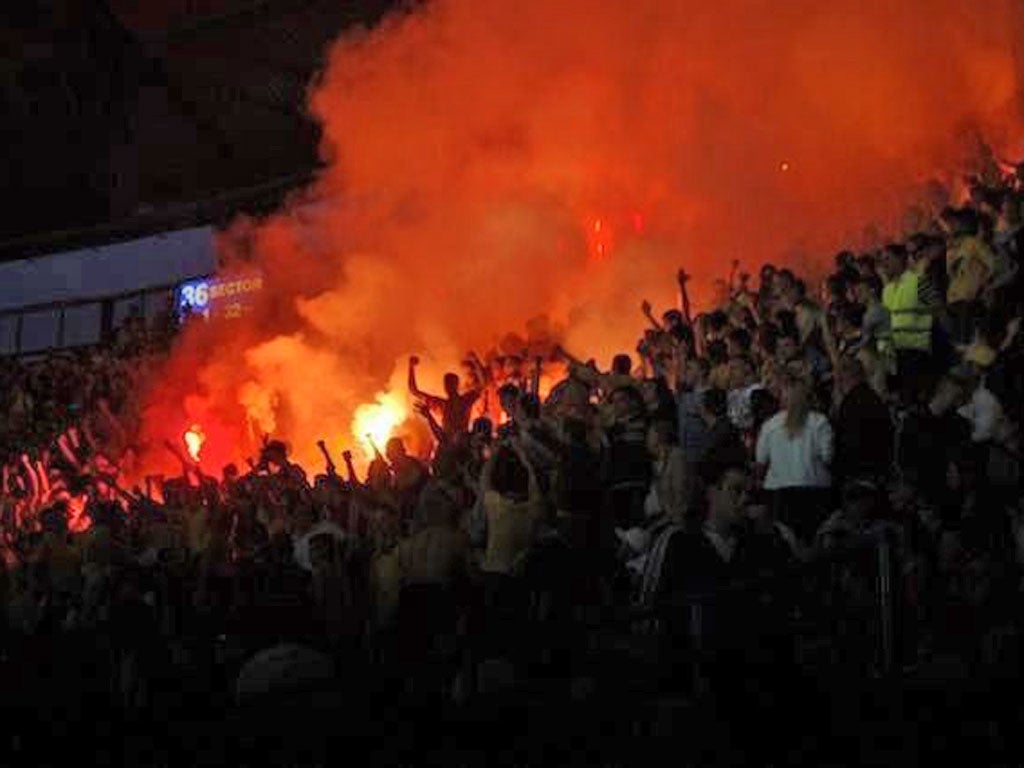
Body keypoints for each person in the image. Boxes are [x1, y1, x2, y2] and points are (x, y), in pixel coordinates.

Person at [755, 374, 834, 542]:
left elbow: (760, 462)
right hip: (815, 491)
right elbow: (828, 457)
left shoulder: (770, 425)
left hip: (779, 495)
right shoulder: (820, 422)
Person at [832, 357, 892, 484]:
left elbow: (849, 442)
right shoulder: (875, 399)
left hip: (858, 476)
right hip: (878, 473)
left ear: (843, 376)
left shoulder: (851, 404)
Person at [408, 356, 481, 440]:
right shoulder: (464, 400)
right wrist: (411, 367)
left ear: (456, 385)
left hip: (454, 443)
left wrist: (411, 367)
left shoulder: (457, 401)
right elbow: (414, 390)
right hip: (461, 443)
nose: (447, 387)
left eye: (449, 384)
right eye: (447, 384)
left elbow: (414, 390)